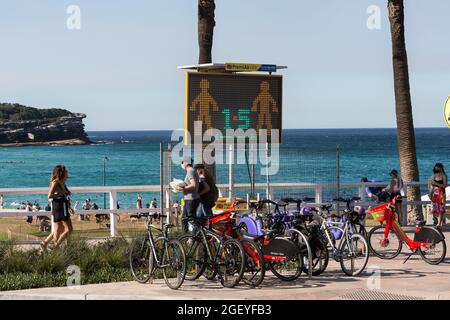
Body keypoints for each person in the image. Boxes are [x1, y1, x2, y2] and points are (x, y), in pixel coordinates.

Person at [41, 165, 73, 251]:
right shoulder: (56, 182)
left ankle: (45, 243)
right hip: (59, 206)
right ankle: (56, 246)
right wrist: (60, 194)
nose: (67, 174)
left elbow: (66, 195)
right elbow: (49, 195)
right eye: (66, 173)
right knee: (69, 229)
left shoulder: (62, 182)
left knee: (59, 228)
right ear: (61, 173)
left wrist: (69, 205)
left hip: (63, 205)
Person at [175, 156, 200, 233]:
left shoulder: (190, 171)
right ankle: (187, 237)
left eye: (182, 162)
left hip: (191, 199)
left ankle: (194, 237)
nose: (181, 164)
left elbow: (193, 185)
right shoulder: (192, 171)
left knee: (191, 220)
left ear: (186, 162)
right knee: (184, 219)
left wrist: (182, 188)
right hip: (190, 198)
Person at [428, 163, 448, 229]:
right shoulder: (433, 175)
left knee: (441, 209)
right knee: (435, 208)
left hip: (441, 193)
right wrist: (430, 193)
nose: (437, 168)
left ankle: (439, 223)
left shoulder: (444, 175)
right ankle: (436, 221)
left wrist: (436, 183)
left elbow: (444, 185)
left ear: (441, 167)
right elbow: (430, 184)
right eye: (436, 167)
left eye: (438, 167)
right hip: (434, 193)